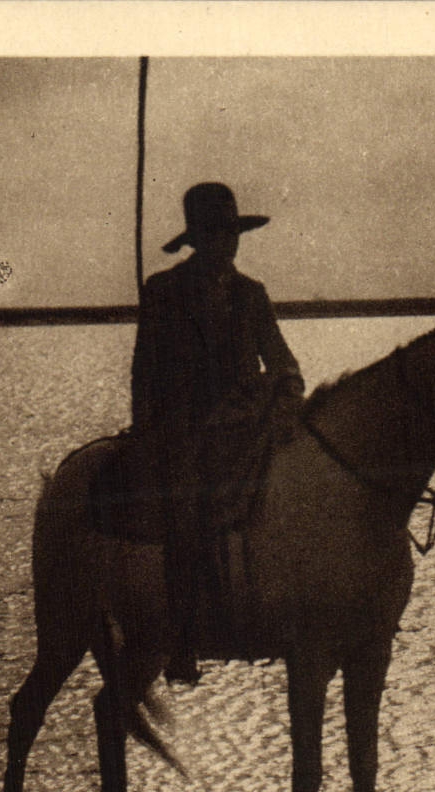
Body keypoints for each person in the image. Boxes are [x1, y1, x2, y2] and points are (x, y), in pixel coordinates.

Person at [131, 182, 305, 683]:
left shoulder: (252, 295)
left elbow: (284, 364)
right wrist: (150, 435)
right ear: (197, 239)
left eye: (231, 234)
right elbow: (144, 375)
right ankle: (184, 636)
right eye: (215, 234)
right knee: (187, 507)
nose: (226, 244)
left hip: (249, 429)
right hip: (184, 434)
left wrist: (286, 400)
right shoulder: (163, 291)